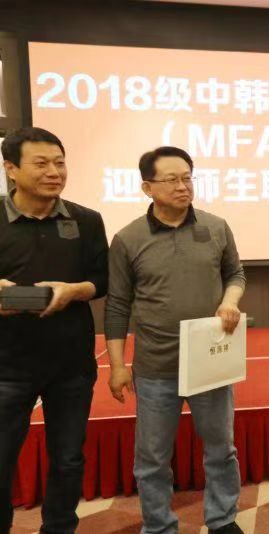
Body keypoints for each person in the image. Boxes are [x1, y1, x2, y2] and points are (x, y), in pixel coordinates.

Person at [104, 146, 245, 534]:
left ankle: (222, 520)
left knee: (221, 449)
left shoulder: (216, 227)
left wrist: (230, 301)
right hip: (156, 367)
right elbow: (117, 305)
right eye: (171, 179)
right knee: (152, 458)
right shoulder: (128, 238)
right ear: (147, 187)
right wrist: (117, 366)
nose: (183, 186)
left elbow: (235, 274)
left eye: (187, 178)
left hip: (210, 361)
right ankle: (159, 526)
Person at [0, 127, 108, 533]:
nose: (54, 172)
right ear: (11, 169)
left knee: (68, 459)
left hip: (71, 366)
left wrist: (74, 291)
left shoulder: (86, 220)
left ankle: (59, 528)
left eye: (60, 163)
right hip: (6, 367)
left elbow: (102, 279)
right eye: (41, 164)